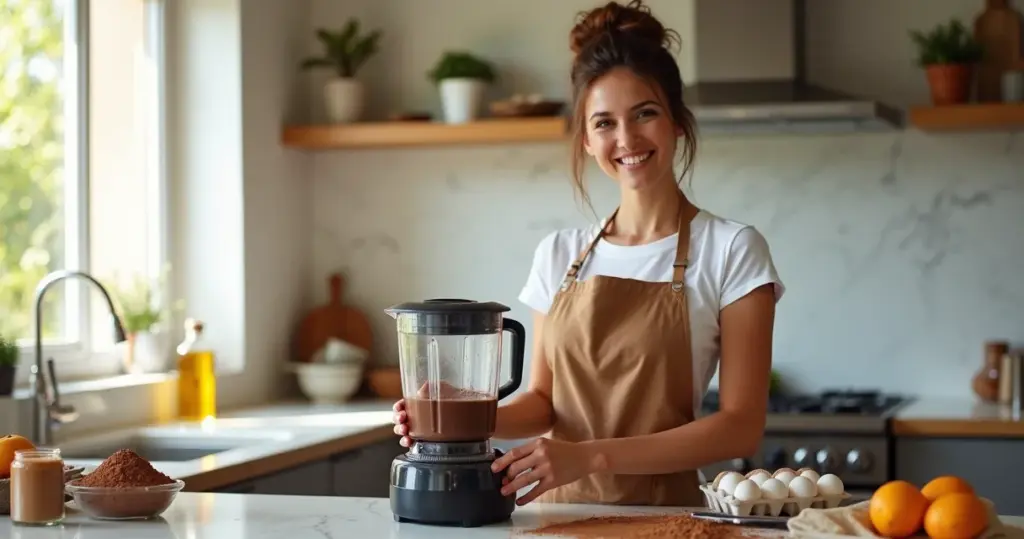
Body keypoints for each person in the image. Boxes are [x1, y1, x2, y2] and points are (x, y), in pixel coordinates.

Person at [392, 0, 784, 507]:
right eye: (604, 123)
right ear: (586, 139)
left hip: (665, 518)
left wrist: (592, 456)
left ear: (677, 122)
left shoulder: (732, 250)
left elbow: (740, 428)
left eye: (645, 113)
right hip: (554, 516)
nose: (626, 139)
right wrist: (453, 412)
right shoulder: (559, 254)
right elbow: (542, 404)